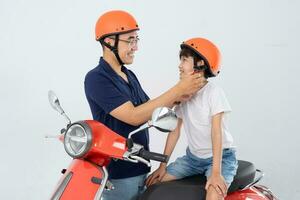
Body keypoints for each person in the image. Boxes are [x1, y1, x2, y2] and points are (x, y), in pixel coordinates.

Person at [84, 10, 205, 200]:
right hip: (120, 174)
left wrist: (185, 92)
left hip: (141, 167)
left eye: (136, 40)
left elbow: (152, 110)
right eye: (130, 40)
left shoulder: (128, 75)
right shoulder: (97, 78)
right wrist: (179, 88)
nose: (135, 47)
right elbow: (134, 116)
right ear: (108, 42)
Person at [145, 37, 238, 200]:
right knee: (154, 184)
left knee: (214, 194)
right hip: (193, 159)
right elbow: (174, 131)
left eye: (184, 60)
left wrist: (216, 172)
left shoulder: (213, 93)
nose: (179, 65)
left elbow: (217, 133)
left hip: (221, 158)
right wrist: (162, 166)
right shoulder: (183, 95)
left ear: (200, 64)